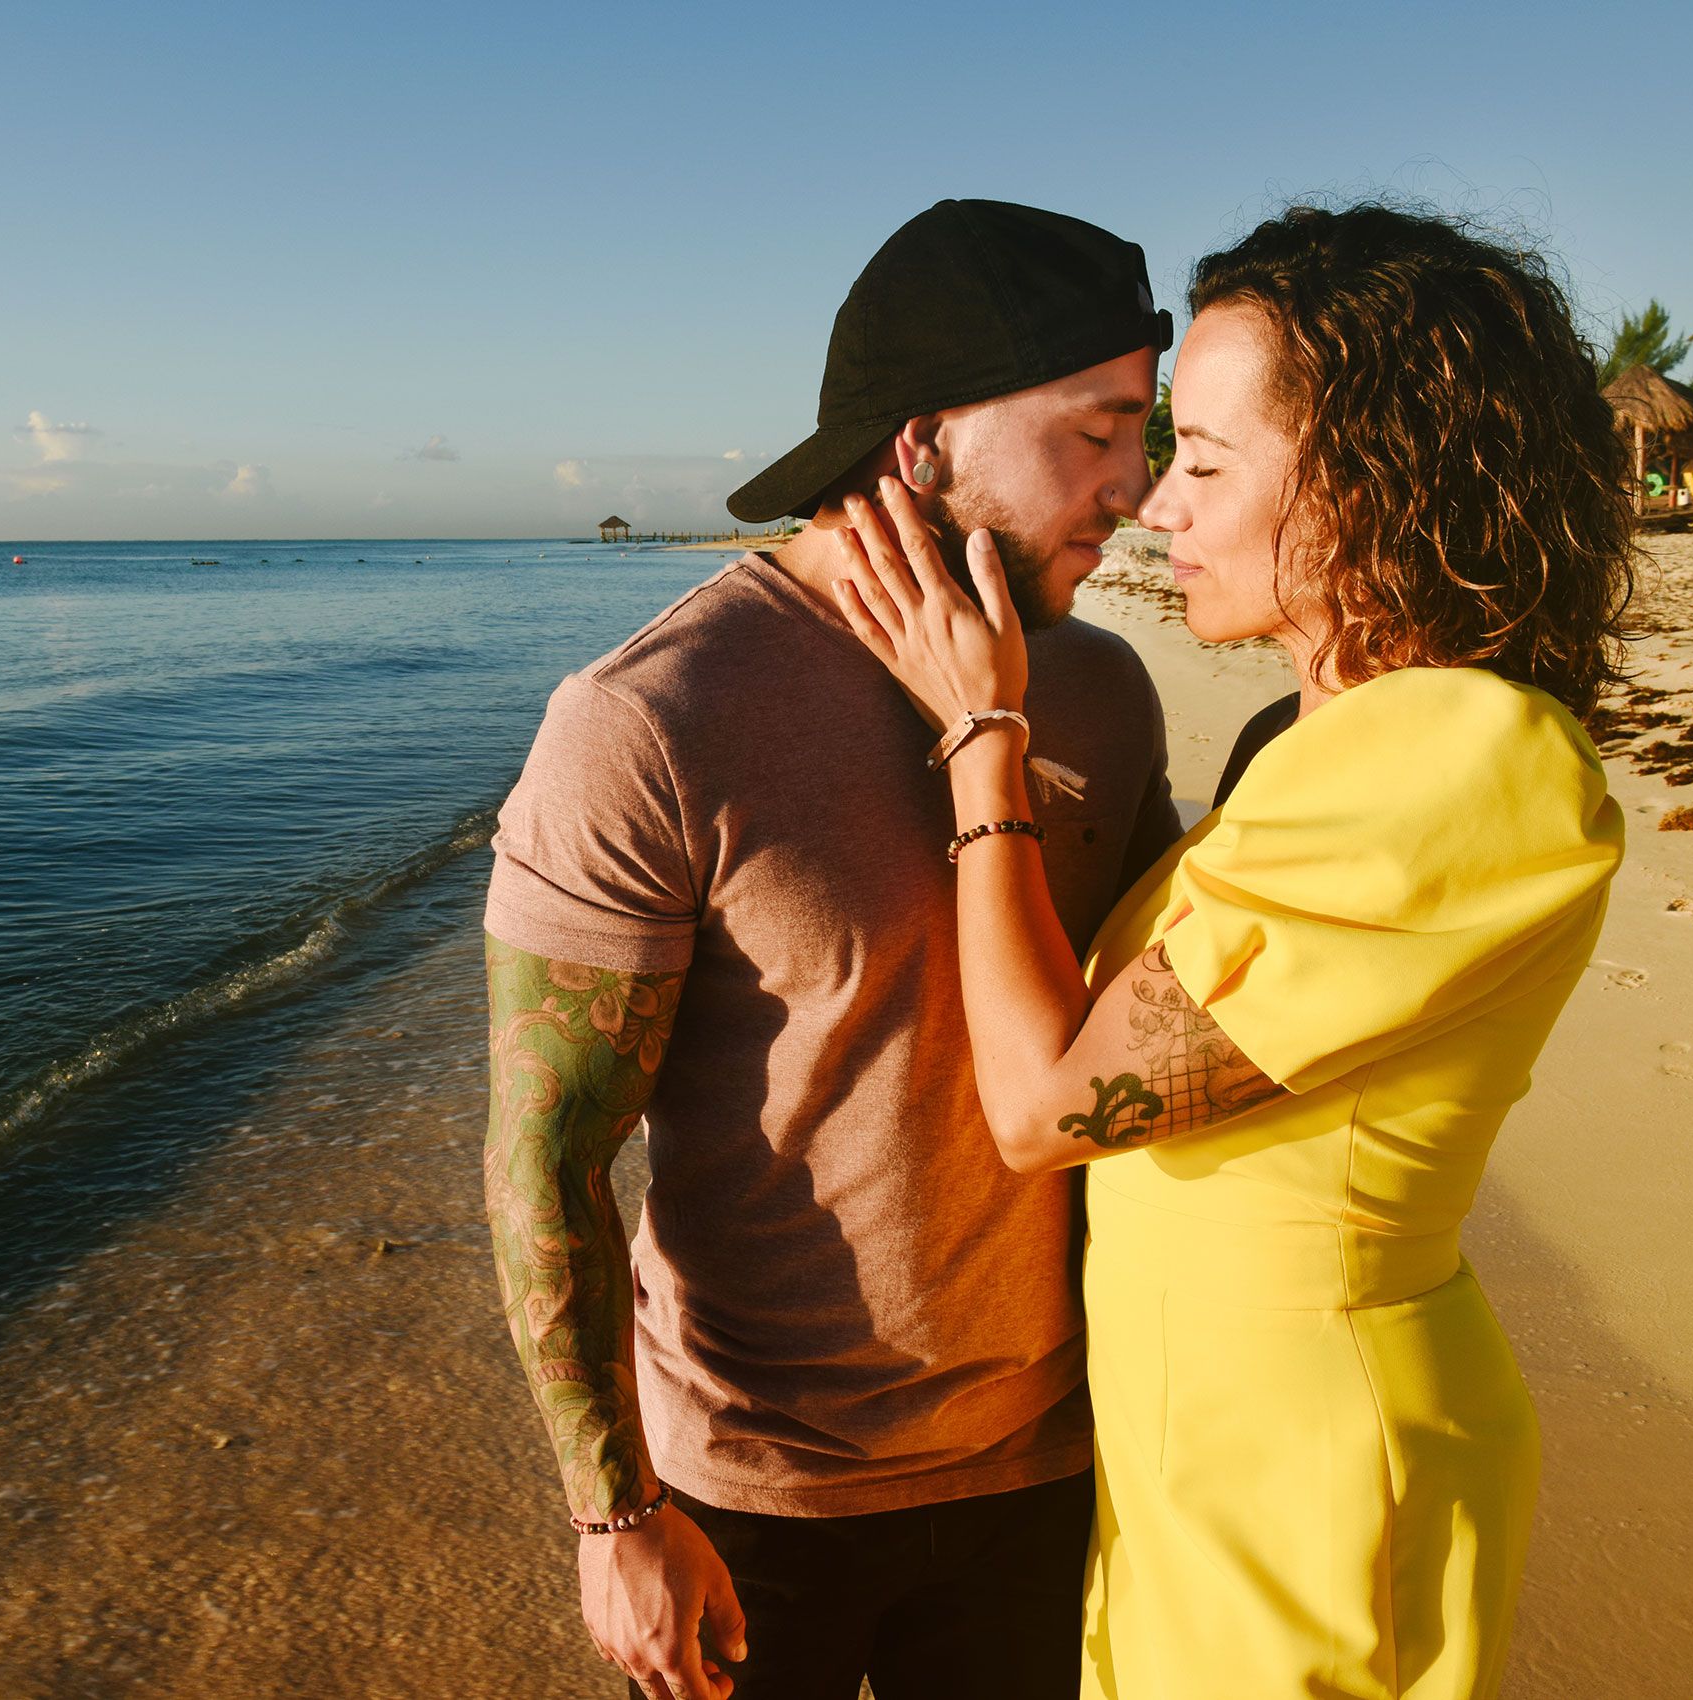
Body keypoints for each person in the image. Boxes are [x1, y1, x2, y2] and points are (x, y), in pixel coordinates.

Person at [831, 202, 1632, 1699]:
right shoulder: (1319, 741)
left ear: (1372, 480)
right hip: (1201, 1439)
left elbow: (1044, 1106)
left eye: (1201, 462)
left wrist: (983, 734)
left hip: (1303, 1468)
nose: (1155, 506)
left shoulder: (1458, 754)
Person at [482, 200, 1178, 1700]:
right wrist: (614, 1512)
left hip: (1046, 1463)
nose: (1139, 486)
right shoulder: (650, 718)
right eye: (1097, 431)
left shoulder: (1105, 692)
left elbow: (1146, 1032)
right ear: (921, 444)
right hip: (755, 1494)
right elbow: (546, 1154)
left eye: (1147, 429)